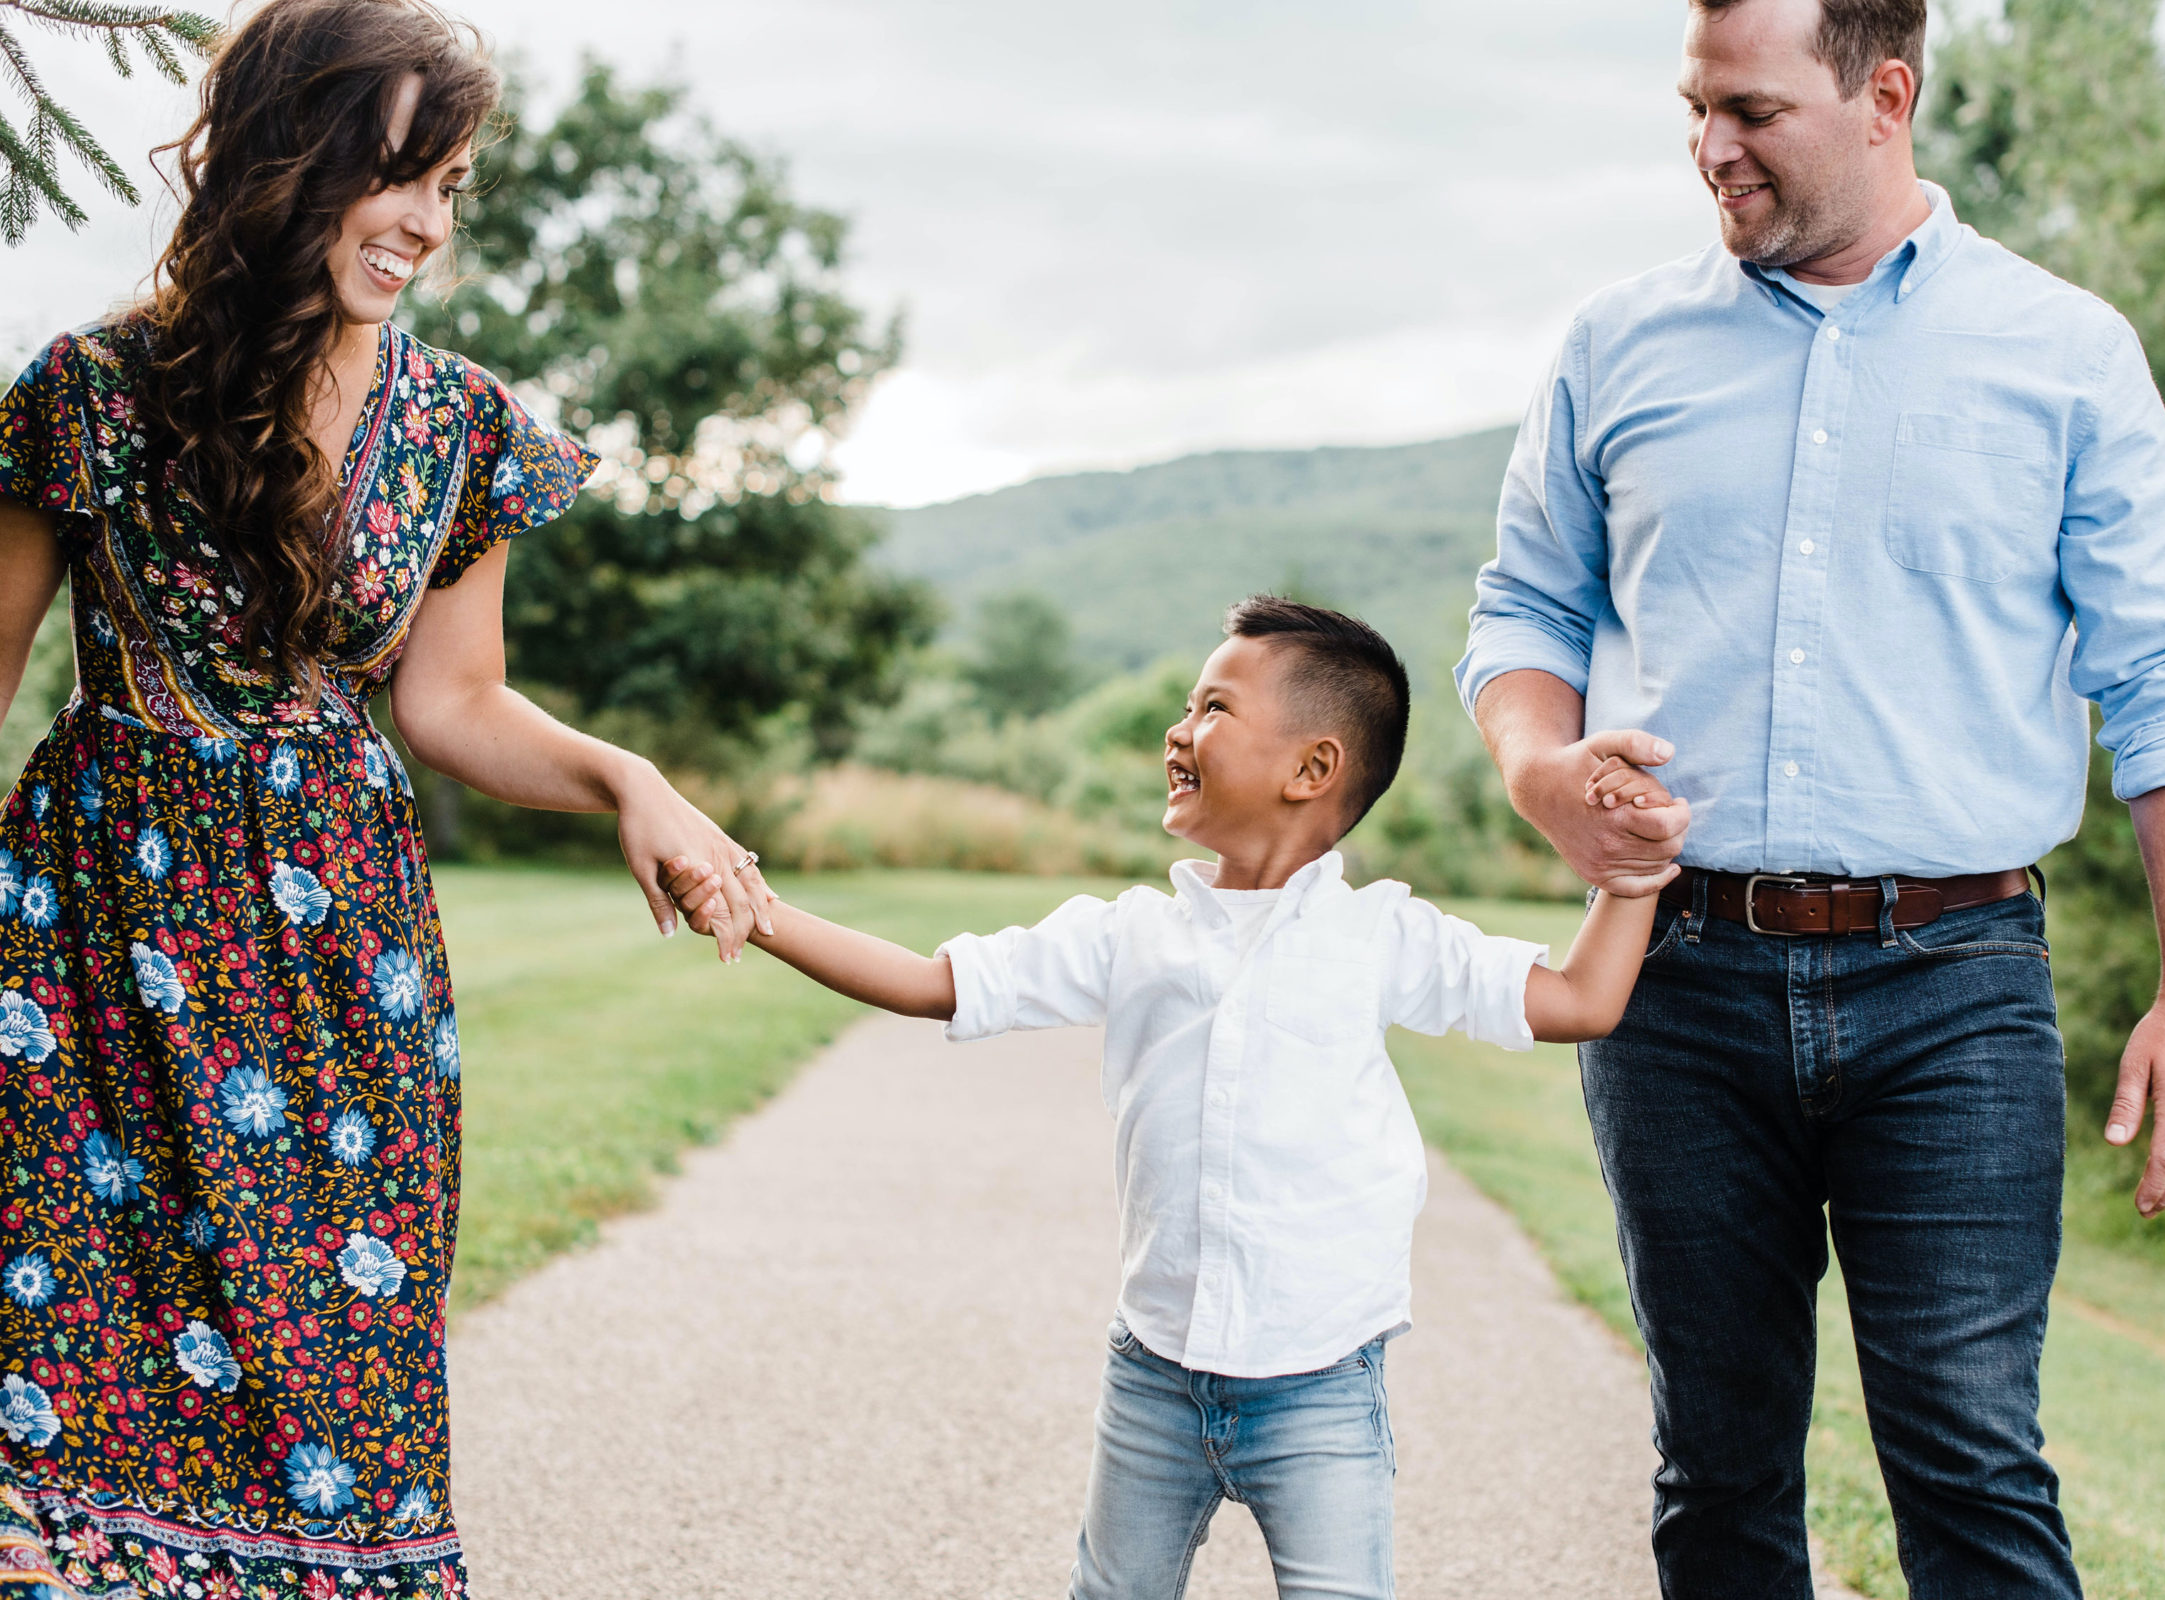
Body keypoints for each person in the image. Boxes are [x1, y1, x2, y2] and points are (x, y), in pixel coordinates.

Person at [0, 2, 768, 1594]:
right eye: (400, 177)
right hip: (87, 932)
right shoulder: (88, 388)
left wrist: (624, 777)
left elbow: (452, 702)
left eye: (453, 185)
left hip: (338, 964)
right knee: (36, 1369)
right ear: (287, 158)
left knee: (327, 1381)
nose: (431, 223)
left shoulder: (464, 429)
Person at [1455, 0, 2165, 1595]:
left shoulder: (2068, 353)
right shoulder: (1618, 344)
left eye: (1750, 110)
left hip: (1955, 988)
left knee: (1970, 1461)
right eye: (1693, 108)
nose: (1709, 149)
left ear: (1884, 94)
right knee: (1720, 1468)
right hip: (1672, 979)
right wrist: (1540, 771)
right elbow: (1525, 610)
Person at [666, 597, 1680, 1600]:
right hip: (1154, 1375)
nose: (1178, 729)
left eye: (1213, 707)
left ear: (1311, 768)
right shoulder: (1129, 934)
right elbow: (929, 980)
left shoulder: (1384, 937)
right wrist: (761, 915)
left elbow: (1580, 1001)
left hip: (1321, 1386)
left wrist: (1630, 874)